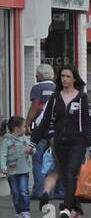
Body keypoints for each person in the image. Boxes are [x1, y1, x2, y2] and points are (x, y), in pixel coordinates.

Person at [30, 65, 91, 218]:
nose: (64, 79)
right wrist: (32, 143)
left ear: (74, 79)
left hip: (77, 142)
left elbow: (86, 123)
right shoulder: (54, 98)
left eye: (67, 76)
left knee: (71, 172)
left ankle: (66, 207)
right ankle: (73, 206)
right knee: (65, 175)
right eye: (62, 76)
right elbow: (45, 122)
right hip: (59, 142)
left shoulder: (81, 97)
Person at [24, 64, 55, 201]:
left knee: (37, 160)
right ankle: (52, 191)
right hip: (55, 130)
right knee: (53, 161)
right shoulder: (57, 88)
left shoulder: (38, 88)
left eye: (37, 75)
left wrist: (27, 124)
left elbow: (34, 108)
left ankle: (39, 191)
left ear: (40, 76)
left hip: (40, 130)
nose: (36, 77)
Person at [1, 116, 34, 218]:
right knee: (15, 193)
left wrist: (31, 151)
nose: (26, 129)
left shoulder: (24, 140)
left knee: (24, 191)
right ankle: (18, 213)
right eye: (24, 127)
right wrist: (3, 166)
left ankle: (26, 211)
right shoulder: (6, 141)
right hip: (12, 171)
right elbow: (3, 155)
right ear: (16, 128)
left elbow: (33, 149)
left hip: (24, 170)